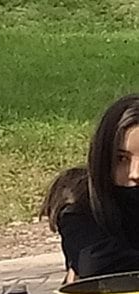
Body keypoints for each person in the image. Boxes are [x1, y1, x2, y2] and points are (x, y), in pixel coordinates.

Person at [42, 94, 139, 283]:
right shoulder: (79, 199)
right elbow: (98, 265)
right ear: (103, 158)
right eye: (121, 159)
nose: (135, 173)